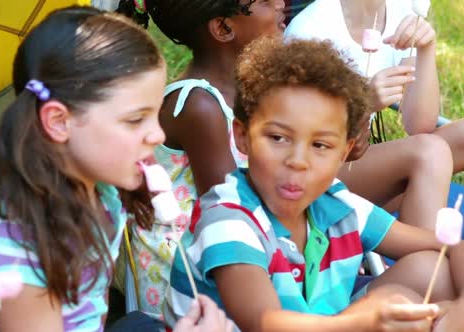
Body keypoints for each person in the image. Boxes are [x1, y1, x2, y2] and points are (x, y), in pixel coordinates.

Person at [0, 7, 232, 332]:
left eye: (154, 115)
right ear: (59, 122)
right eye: (136, 119)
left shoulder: (102, 194)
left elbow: (93, 312)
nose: (158, 134)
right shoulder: (20, 260)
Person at [163, 36, 464, 331]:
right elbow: (263, 321)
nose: (298, 160)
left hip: (327, 322)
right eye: (278, 138)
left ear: (344, 152)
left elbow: (446, 247)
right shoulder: (227, 219)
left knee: (429, 272)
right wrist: (362, 322)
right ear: (242, 136)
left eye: (320, 145)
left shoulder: (337, 205)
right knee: (399, 306)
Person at [115, 0, 286, 316]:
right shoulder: (198, 105)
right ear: (223, 28)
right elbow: (233, 214)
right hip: (186, 288)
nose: (280, 4)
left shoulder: (246, 84)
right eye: (264, 0)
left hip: (238, 253)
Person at [285, 0, 464, 231]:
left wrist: (426, 49)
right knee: (429, 152)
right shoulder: (310, 28)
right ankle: (420, 258)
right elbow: (297, 138)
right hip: (317, 175)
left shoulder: (402, 9)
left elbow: (419, 125)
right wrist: (362, 104)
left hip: (361, 163)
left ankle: (383, 236)